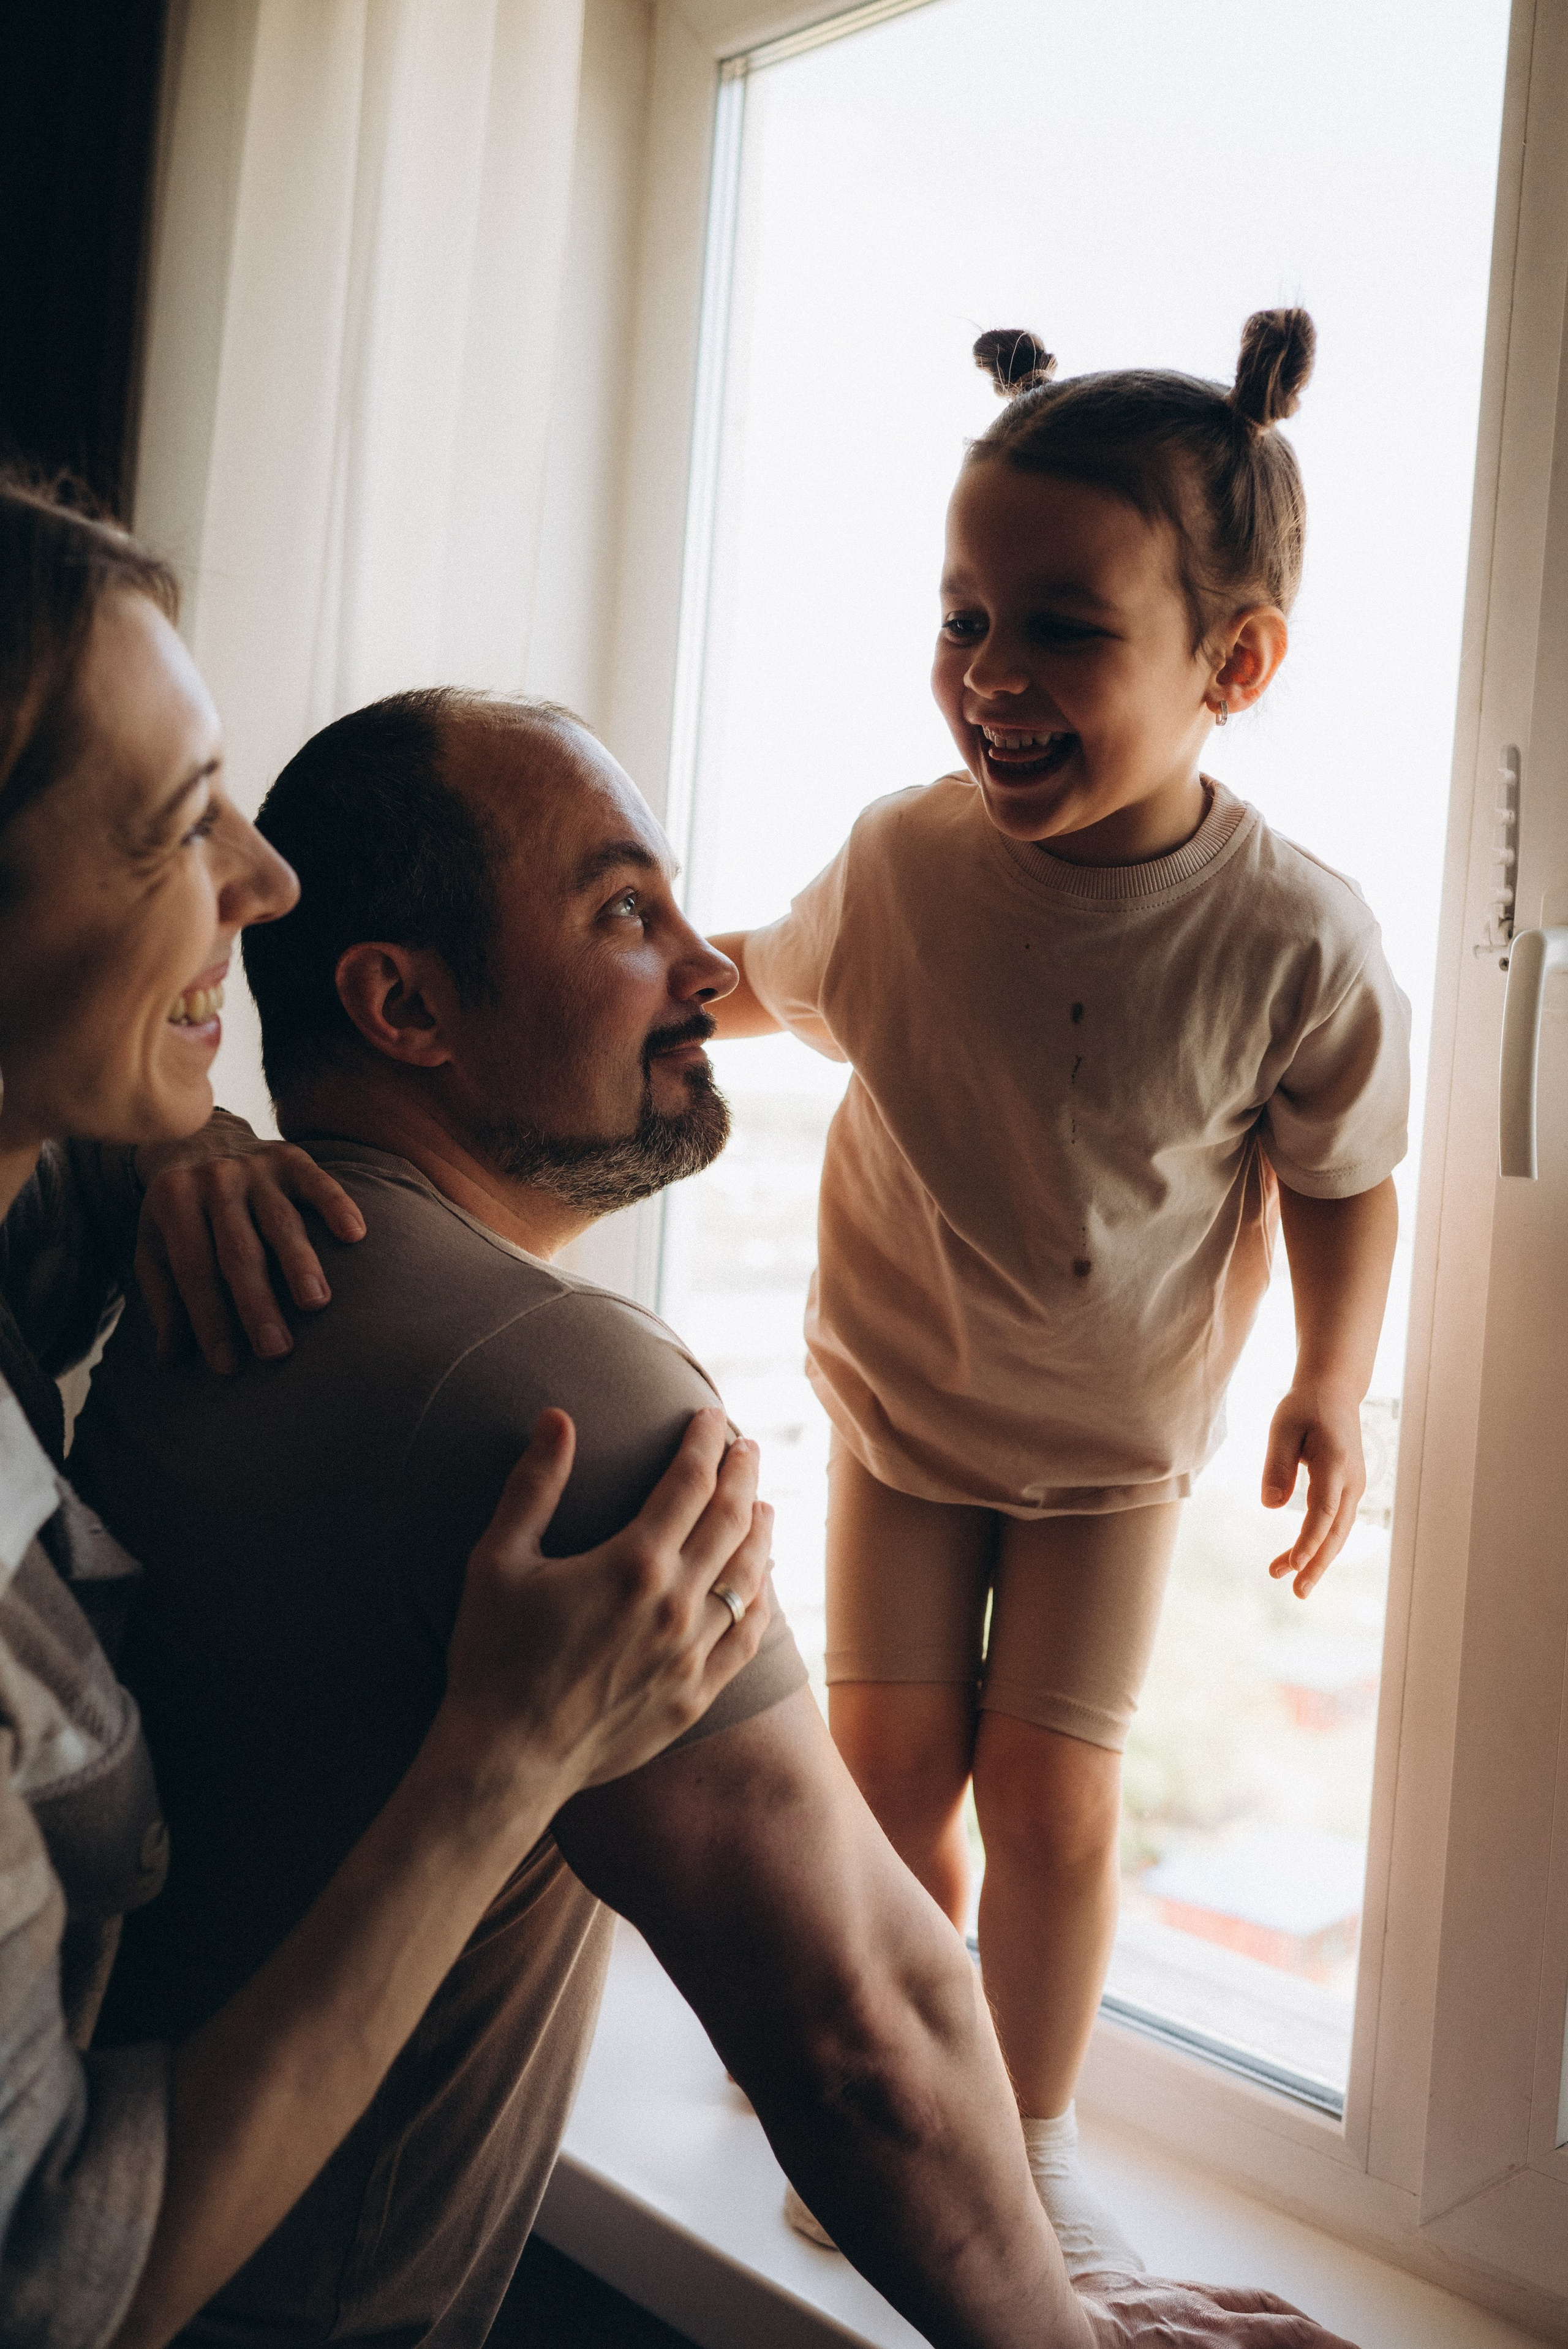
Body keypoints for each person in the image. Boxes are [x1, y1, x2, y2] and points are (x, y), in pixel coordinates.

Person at [74, 684, 1358, 2349]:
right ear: (402, 1004)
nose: (705, 966)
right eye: (625, 909)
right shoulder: (563, 1404)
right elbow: (855, 2025)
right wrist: (1072, 2334)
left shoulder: (179, 1272)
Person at [0, 473, 778, 2349]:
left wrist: (191, 1138)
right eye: (184, 826)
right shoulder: (569, 1401)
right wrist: (503, 1760)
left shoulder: (100, 1215)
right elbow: (53, 2289)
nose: (259, 885)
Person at [707, 312, 1409, 2269]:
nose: (992, 680)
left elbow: (1346, 1174)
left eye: (1064, 631)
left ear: (1233, 662)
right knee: (889, 1772)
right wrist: (630, 989)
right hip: (907, 1404)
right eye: (963, 623)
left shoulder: (1294, 935)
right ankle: (878, 2070)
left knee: (1054, 1791)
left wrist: (1335, 1381)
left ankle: (1019, 2130)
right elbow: (768, 974)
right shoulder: (908, 864)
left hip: (1110, 1444)